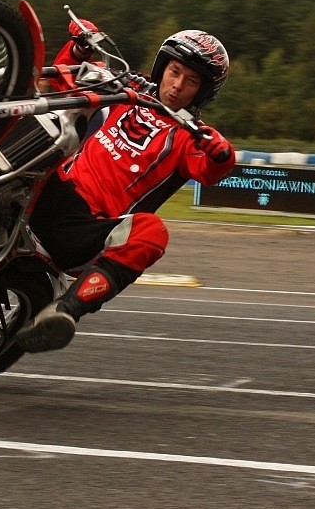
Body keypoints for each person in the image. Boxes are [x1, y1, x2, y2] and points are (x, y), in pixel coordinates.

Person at [16, 29, 235, 353]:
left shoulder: (192, 137)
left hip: (85, 231)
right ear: (162, 67)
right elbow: (68, 83)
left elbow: (212, 170)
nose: (177, 86)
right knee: (47, 124)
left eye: (191, 81)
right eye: (175, 72)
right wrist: (77, 50)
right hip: (47, 190)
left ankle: (63, 312)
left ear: (202, 91)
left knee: (153, 232)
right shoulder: (128, 86)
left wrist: (223, 153)